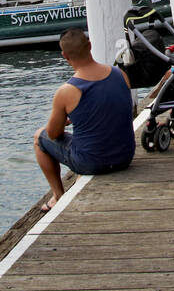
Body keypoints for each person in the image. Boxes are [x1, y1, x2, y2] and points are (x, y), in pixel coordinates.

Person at [35, 28, 136, 211]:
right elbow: (114, 108)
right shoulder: (119, 74)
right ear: (89, 46)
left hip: (91, 162)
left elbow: (53, 134)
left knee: (39, 138)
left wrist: (67, 117)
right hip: (124, 157)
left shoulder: (66, 92)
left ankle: (58, 196)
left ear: (65, 56)